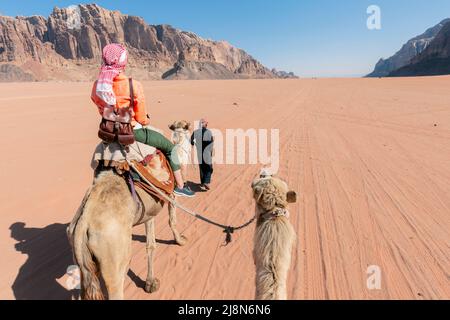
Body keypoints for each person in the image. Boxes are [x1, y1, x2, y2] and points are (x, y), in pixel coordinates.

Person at [91, 43, 195, 198]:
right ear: (123, 62)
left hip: (109, 132)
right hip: (133, 131)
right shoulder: (134, 85)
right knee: (171, 149)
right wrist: (144, 119)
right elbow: (141, 119)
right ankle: (180, 186)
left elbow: (101, 108)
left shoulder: (97, 86)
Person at [190, 119, 214, 190]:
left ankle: (203, 182)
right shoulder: (208, 132)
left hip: (199, 152)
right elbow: (211, 143)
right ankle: (206, 181)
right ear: (205, 125)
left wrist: (194, 144)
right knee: (209, 168)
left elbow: (191, 141)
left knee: (202, 167)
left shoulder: (195, 132)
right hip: (207, 153)